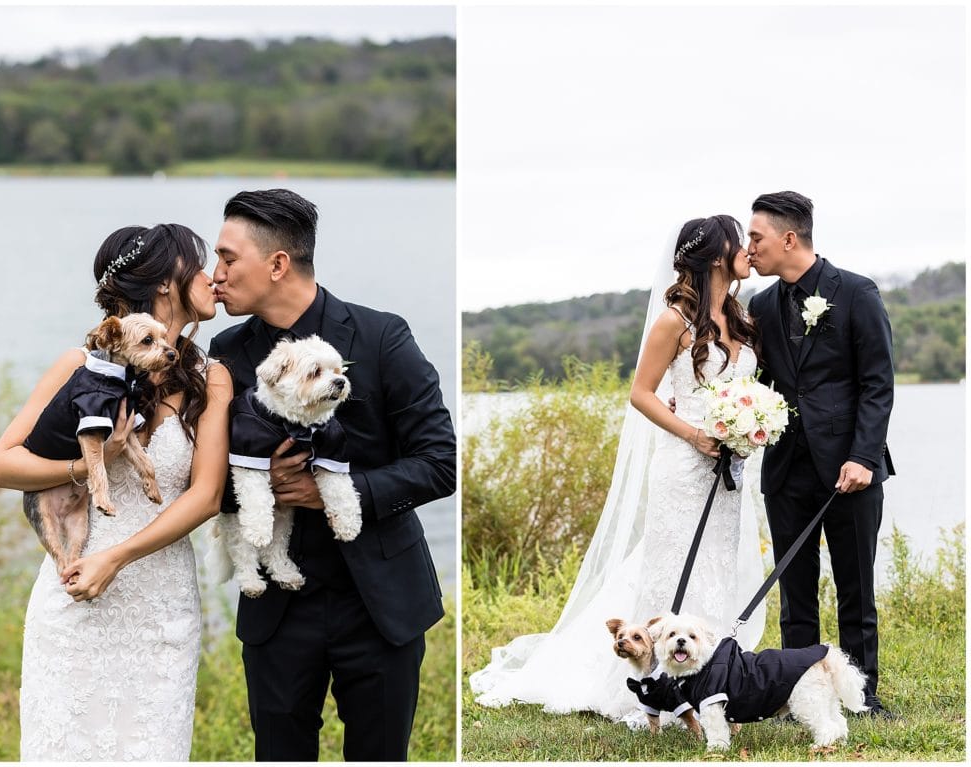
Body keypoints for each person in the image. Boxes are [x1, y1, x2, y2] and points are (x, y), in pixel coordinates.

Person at [470, 216, 767, 725]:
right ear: (718, 255)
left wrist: (748, 426)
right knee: (673, 569)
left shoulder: (740, 317)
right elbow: (640, 393)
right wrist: (695, 434)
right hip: (685, 462)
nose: (748, 249)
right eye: (741, 240)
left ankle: (712, 681)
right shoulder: (676, 319)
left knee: (717, 567)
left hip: (729, 470)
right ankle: (652, 686)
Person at [208, 188, 455, 761]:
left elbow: (440, 464)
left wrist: (328, 495)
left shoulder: (382, 336)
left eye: (227, 258)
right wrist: (257, 479)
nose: (213, 274)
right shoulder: (225, 353)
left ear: (277, 264)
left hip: (379, 603)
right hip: (275, 602)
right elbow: (203, 479)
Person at [0, 224, 233, 760]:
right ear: (168, 282)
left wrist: (116, 558)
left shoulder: (212, 380)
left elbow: (207, 496)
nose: (214, 278)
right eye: (202, 264)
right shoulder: (80, 366)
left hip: (159, 609)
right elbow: (0, 465)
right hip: (73, 599)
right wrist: (90, 461)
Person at [746, 191, 895, 716]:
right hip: (785, 469)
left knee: (856, 588)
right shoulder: (761, 305)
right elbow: (757, 385)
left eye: (756, 237)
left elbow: (878, 383)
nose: (750, 248)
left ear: (790, 238)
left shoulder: (855, 292)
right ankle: (797, 696)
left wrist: (864, 457)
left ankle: (861, 698)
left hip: (849, 468)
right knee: (796, 593)